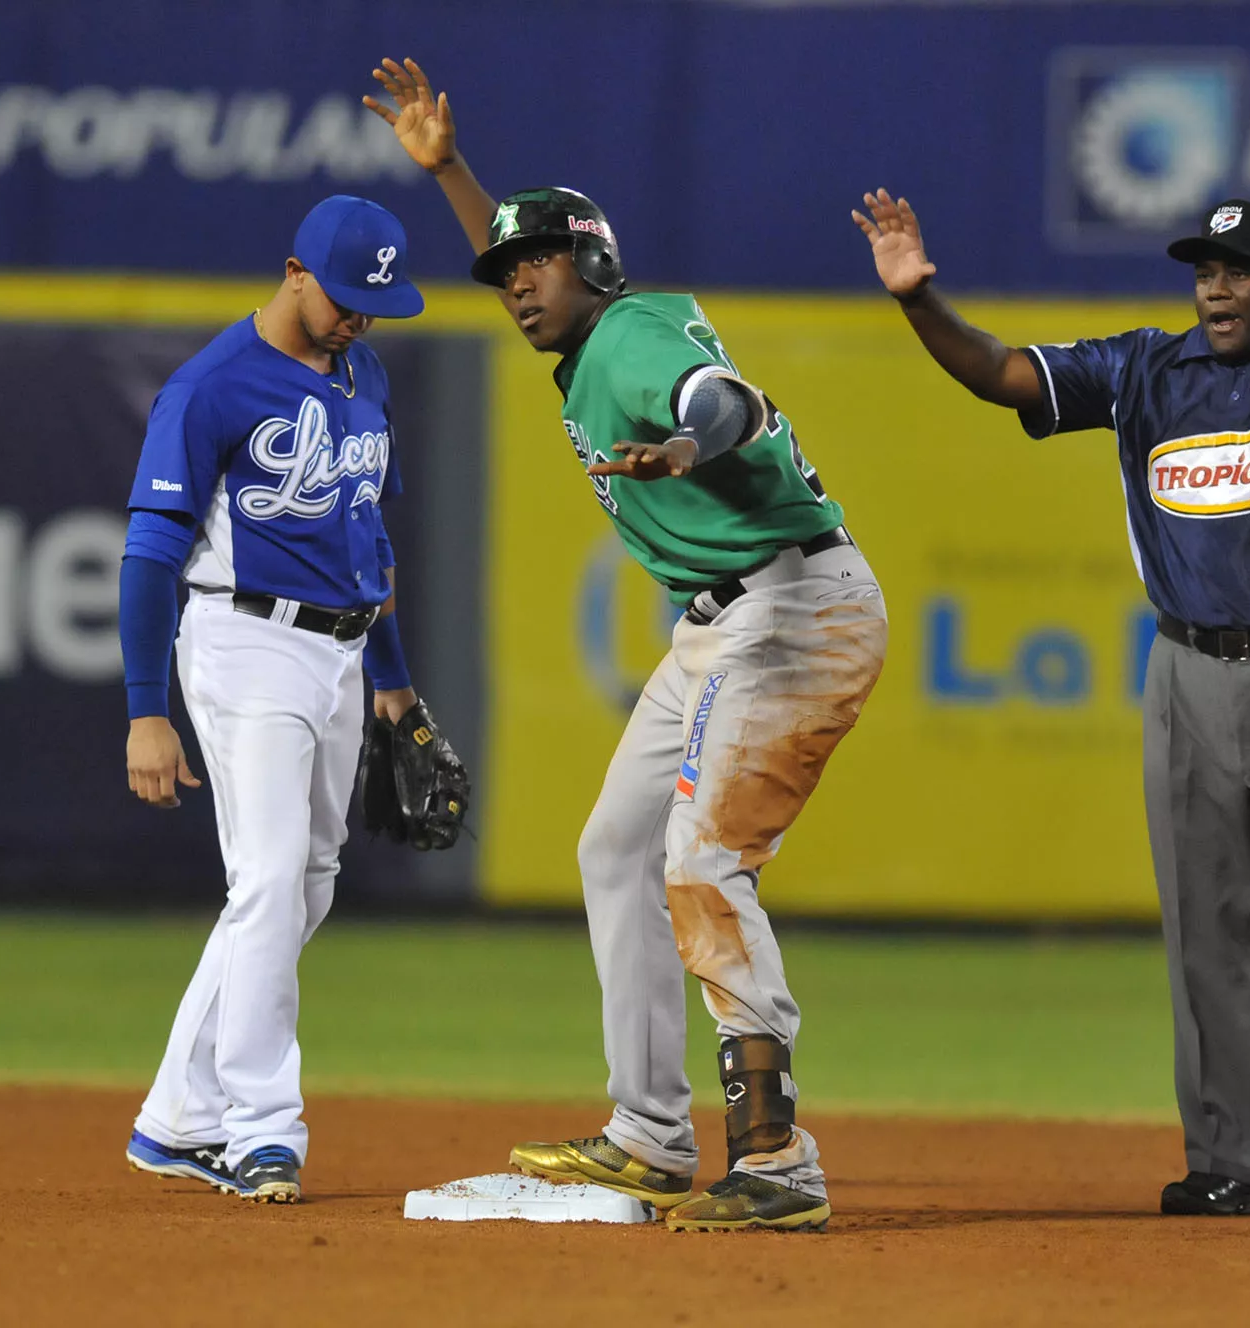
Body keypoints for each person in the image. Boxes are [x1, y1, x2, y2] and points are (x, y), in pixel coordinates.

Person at [366, 58, 887, 1232]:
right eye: (501, 273)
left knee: (701, 857)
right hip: (724, 617)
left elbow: (727, 400)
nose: (514, 286)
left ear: (592, 264)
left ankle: (772, 1150)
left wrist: (687, 448)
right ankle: (648, 1132)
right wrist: (450, 171)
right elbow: (533, 263)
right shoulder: (592, 340)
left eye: (535, 264)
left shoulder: (636, 336)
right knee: (616, 848)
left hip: (792, 606)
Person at [855, 160, 1250, 1219]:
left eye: (1240, 271)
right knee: (1207, 922)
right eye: (1204, 270)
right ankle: (1226, 1159)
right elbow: (998, 373)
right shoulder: (1141, 373)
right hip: (1186, 674)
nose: (1216, 288)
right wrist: (915, 298)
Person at [116, 194, 453, 1204]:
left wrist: (392, 682)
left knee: (303, 881)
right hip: (243, 639)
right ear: (295, 270)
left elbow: (369, 544)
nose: (358, 318)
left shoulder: (364, 369)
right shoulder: (211, 386)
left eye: (375, 305)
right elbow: (149, 554)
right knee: (266, 879)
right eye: (346, 298)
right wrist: (145, 708)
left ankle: (177, 1115)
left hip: (341, 654)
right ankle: (259, 1128)